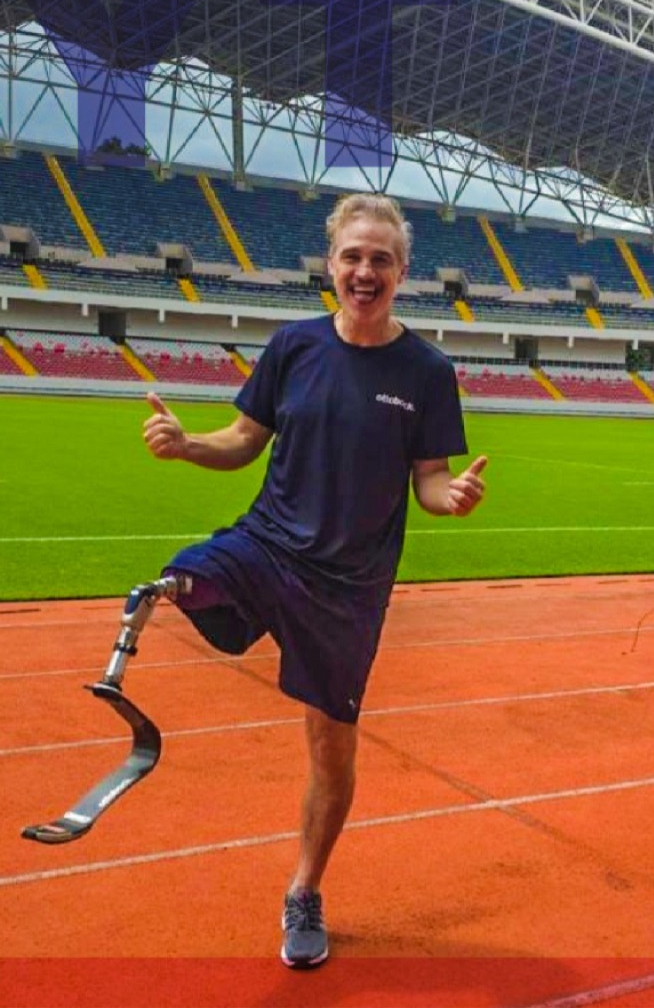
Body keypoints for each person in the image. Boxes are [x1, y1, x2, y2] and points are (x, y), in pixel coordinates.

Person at [140, 193, 488, 967]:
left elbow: (427, 481)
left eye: (382, 259)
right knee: (187, 573)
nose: (366, 270)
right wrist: (184, 444)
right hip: (269, 544)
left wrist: (451, 497)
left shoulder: (427, 371)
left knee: (330, 750)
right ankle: (165, 604)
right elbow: (239, 441)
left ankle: (305, 890)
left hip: (350, 587)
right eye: (353, 256)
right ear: (331, 263)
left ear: (403, 272)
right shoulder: (292, 347)